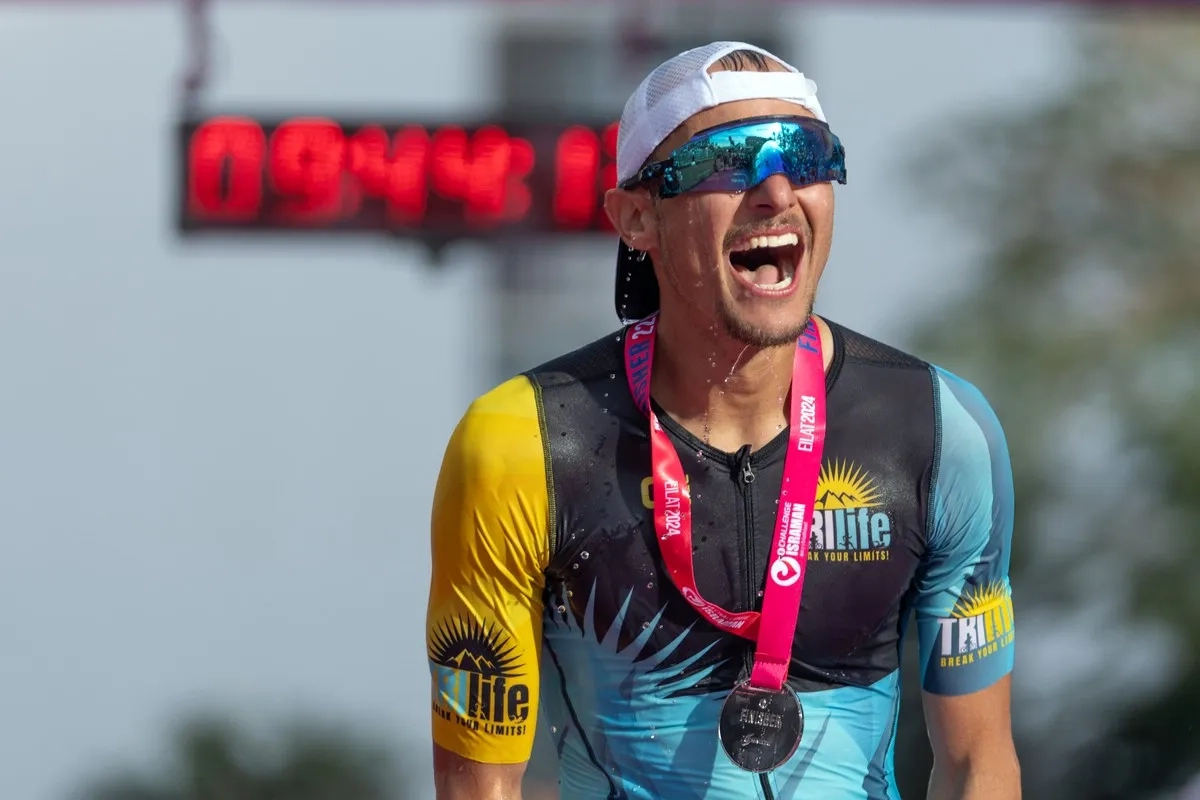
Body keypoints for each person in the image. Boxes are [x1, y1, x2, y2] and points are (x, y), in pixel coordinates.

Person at [425, 40, 1020, 800]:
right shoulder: (522, 444)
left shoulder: (940, 430)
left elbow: (978, 766)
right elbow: (478, 786)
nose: (776, 191)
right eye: (729, 161)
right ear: (637, 218)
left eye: (807, 155)